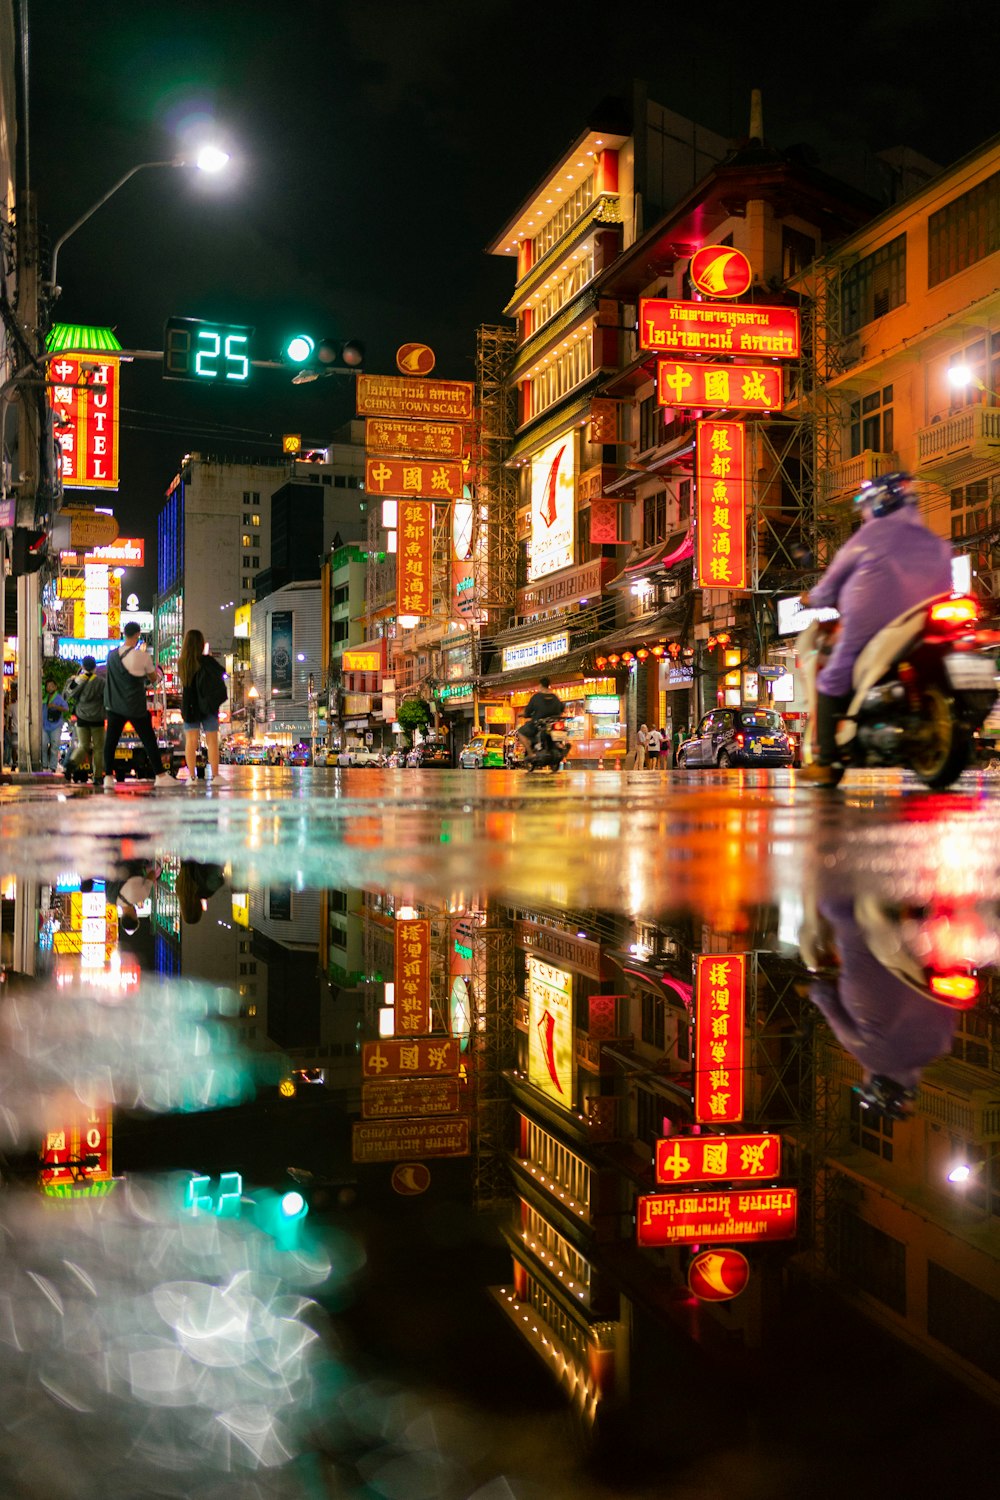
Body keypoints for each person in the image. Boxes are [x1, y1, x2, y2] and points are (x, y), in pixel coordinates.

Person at [799, 472, 952, 785]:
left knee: (831, 678)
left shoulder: (871, 534)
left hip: (874, 621)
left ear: (880, 502)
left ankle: (826, 761)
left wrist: (813, 597)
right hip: (926, 617)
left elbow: (831, 584)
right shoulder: (933, 540)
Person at [102, 622, 173, 788]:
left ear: (124, 634)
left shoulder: (111, 656)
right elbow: (154, 679)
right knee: (148, 740)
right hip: (135, 707)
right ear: (137, 635)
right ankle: (160, 776)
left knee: (111, 742)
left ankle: (107, 778)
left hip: (114, 706)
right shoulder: (142, 657)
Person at [178, 628, 228, 783]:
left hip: (190, 705)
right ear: (201, 644)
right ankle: (215, 775)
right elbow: (222, 672)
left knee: (191, 742)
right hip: (208, 705)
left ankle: (191, 777)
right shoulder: (206, 661)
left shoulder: (183, 662)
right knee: (212, 741)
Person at [64, 655, 107, 785]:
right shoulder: (101, 681)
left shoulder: (78, 680)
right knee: (99, 748)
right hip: (97, 718)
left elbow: (67, 693)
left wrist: (73, 679)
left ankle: (71, 765)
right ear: (95, 667)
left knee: (83, 745)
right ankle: (98, 776)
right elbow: (106, 698)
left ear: (83, 666)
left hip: (81, 717)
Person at [516, 676, 564, 761]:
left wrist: (521, 714)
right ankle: (558, 745)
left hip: (538, 723)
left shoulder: (536, 697)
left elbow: (527, 712)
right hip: (555, 722)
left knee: (520, 732)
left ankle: (531, 754)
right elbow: (562, 708)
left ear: (540, 685)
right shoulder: (555, 697)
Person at [41, 678, 69, 771]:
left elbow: (66, 708)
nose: (50, 688)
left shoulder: (59, 698)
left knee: (54, 747)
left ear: (55, 687)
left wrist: (55, 706)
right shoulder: (45, 698)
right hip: (45, 726)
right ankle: (44, 765)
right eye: (48, 686)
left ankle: (53, 767)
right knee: (43, 745)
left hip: (56, 726)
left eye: (52, 686)